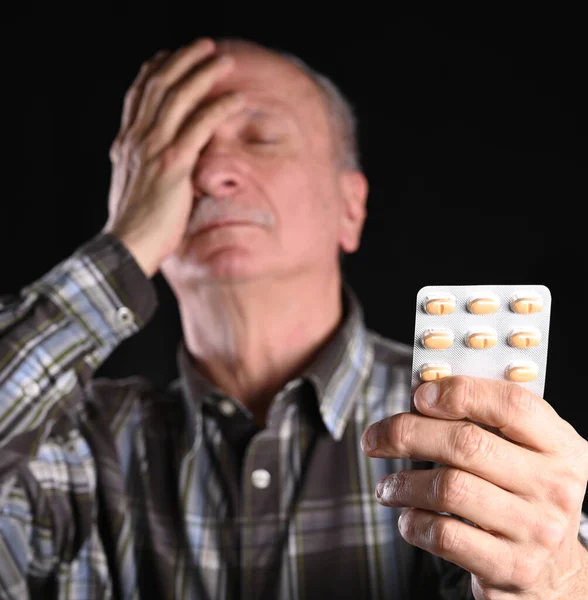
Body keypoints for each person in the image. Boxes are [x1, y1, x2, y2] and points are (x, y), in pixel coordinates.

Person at [0, 36, 586, 600]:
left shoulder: (460, 420)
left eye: (261, 137)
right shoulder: (71, 444)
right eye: (180, 151)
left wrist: (553, 583)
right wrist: (121, 246)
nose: (211, 175)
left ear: (350, 207)